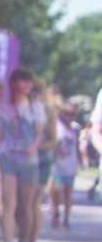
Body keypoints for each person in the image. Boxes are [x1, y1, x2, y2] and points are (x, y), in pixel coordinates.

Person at [0, 67, 45, 242]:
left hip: (29, 162)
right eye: (24, 81)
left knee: (25, 206)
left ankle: (24, 241)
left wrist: (33, 146)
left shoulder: (35, 106)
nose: (28, 85)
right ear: (14, 83)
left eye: (30, 81)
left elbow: (39, 132)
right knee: (8, 202)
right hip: (7, 158)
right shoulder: (3, 107)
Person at [50, 98, 79, 229]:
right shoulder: (56, 127)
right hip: (58, 165)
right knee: (57, 189)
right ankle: (56, 210)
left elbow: (77, 146)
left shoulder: (75, 129)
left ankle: (66, 218)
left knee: (68, 192)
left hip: (70, 165)